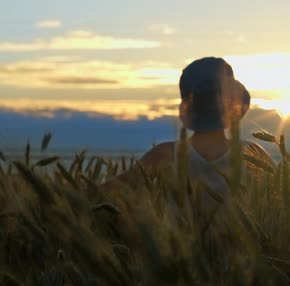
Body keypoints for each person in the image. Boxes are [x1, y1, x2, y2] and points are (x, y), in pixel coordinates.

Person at [101, 57, 272, 210]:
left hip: (176, 245)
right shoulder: (253, 154)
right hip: (239, 246)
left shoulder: (165, 154)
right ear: (233, 103)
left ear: (189, 106)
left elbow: (107, 191)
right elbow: (284, 199)